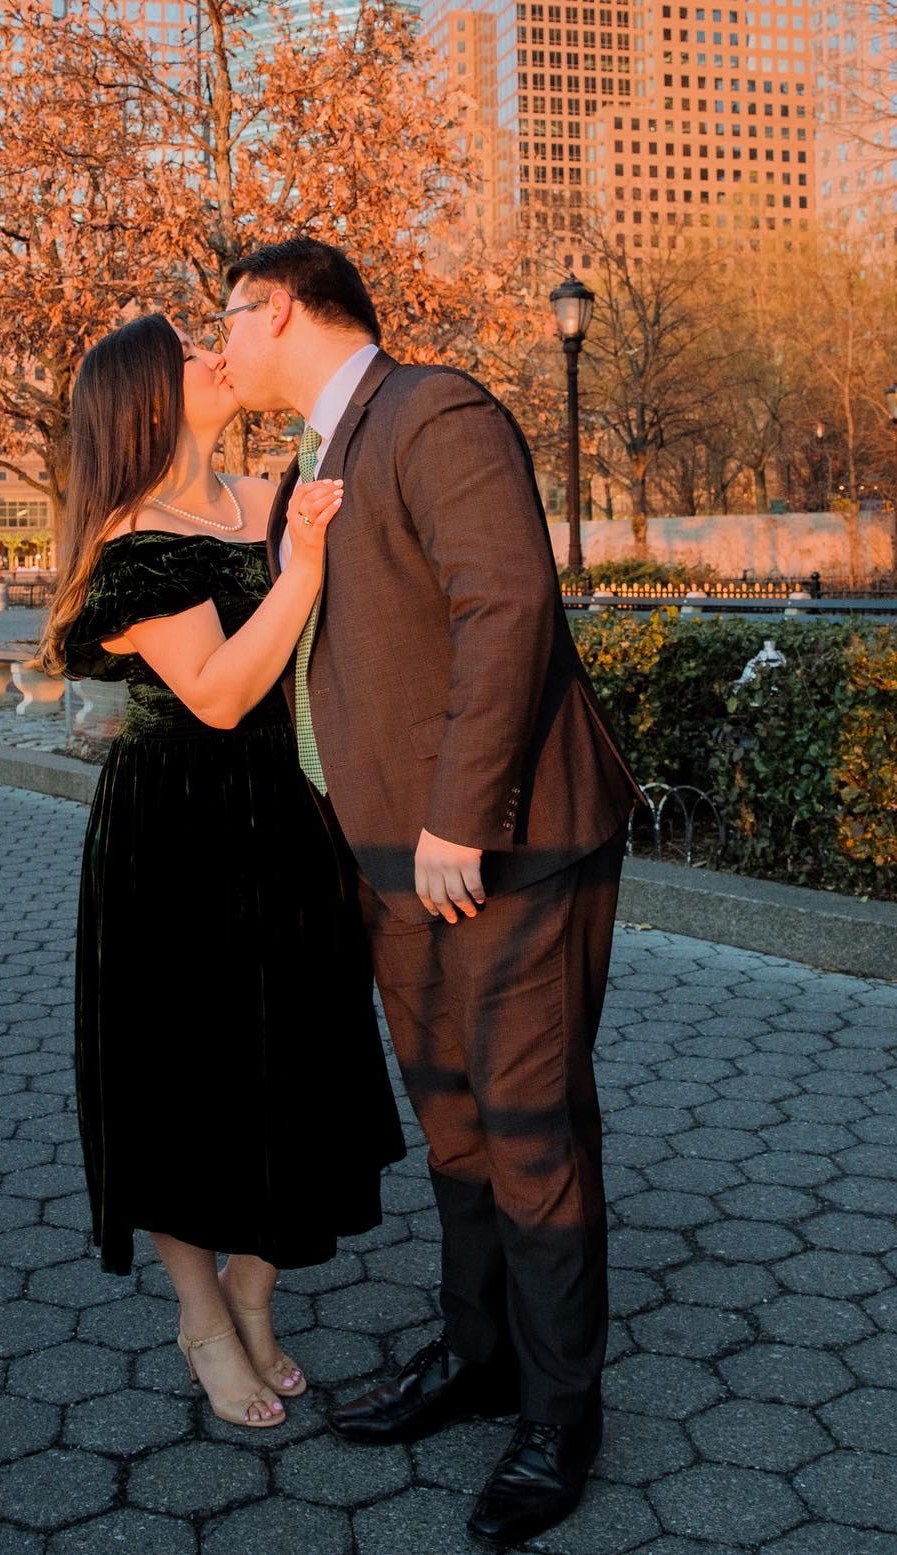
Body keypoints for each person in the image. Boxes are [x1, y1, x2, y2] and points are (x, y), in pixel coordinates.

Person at [217, 239, 640, 1546]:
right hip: (394, 861)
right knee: (454, 1122)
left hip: (504, 846)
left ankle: (562, 1414)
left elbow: (506, 604)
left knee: (528, 1126)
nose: (219, 344)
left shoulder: (436, 407)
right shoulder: (313, 458)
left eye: (224, 320)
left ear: (276, 307)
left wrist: (462, 810)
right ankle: (481, 1357)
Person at [37, 313, 405, 1432]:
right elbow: (222, 692)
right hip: (175, 832)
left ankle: (257, 1280)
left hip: (280, 817)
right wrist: (304, 565)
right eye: (191, 349)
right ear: (148, 394)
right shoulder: (129, 538)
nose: (214, 353)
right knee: (182, 1076)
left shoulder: (270, 488)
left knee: (286, 1054)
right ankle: (201, 1313)